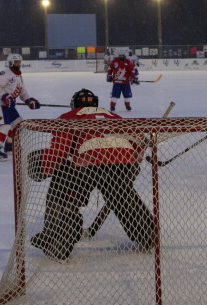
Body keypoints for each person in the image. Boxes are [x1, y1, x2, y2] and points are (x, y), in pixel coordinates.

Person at [28, 88, 154, 261]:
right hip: (121, 164)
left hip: (86, 164)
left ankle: (58, 243)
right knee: (123, 196)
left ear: (74, 104)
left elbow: (59, 151)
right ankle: (147, 235)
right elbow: (140, 141)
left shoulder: (69, 116)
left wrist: (44, 167)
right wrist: (133, 165)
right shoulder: (112, 116)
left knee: (62, 195)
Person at [0, 53, 41, 161]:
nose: (18, 64)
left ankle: (10, 146)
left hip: (8, 105)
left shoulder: (19, 76)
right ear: (11, 62)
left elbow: (22, 92)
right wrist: (5, 96)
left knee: (18, 123)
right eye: (16, 62)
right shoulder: (5, 73)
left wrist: (29, 100)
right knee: (5, 126)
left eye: (19, 62)